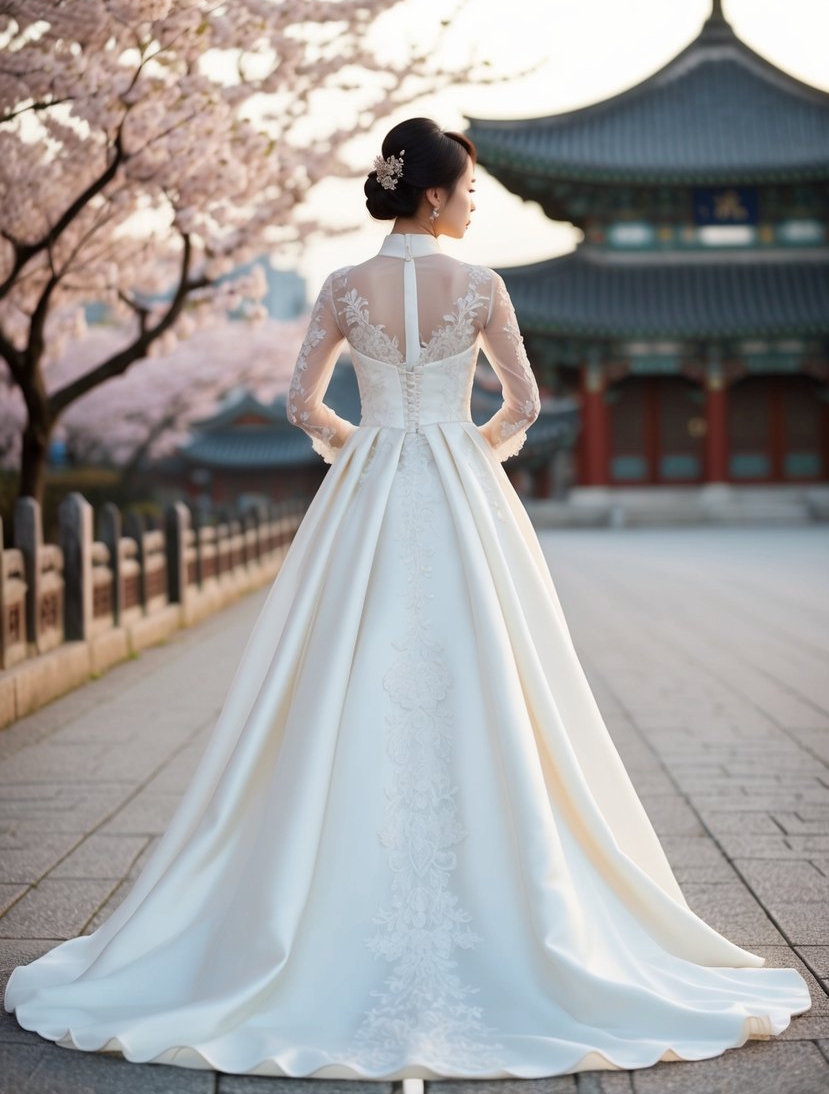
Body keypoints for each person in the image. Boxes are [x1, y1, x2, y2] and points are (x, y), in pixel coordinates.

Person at [4, 116, 811, 1081]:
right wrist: (469, 452)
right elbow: (524, 405)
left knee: (343, 669)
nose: (474, 203)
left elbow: (303, 403)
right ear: (433, 195)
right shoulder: (481, 287)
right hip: (461, 491)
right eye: (468, 190)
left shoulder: (346, 287)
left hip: (371, 487)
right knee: (494, 673)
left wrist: (365, 447)